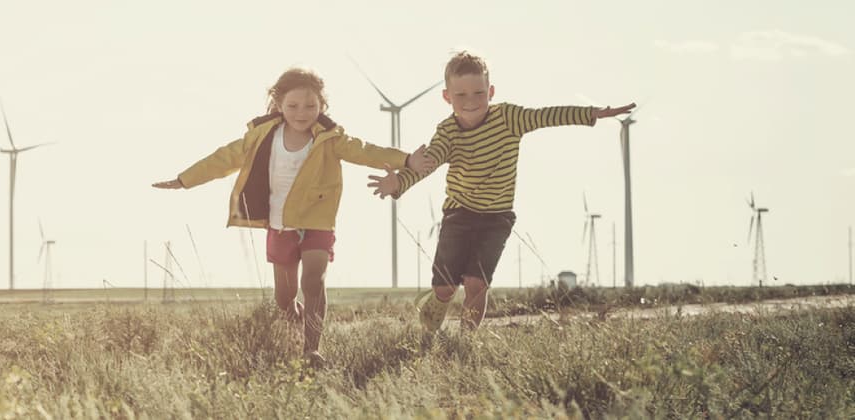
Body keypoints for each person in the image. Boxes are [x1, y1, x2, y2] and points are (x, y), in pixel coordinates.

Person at [153, 67, 431, 366]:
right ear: (279, 104)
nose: (303, 112)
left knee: (314, 281)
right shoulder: (261, 136)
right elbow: (223, 158)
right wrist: (185, 179)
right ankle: (296, 320)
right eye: (294, 106)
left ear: (322, 106)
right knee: (284, 299)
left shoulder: (330, 139)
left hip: (317, 222)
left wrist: (406, 160)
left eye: (311, 106)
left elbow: (366, 151)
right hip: (280, 225)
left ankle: (312, 349)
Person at [369, 51, 634, 331]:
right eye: (461, 95)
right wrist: (399, 182)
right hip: (458, 214)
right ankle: (435, 307)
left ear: (491, 91)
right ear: (447, 97)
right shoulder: (448, 131)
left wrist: (591, 113)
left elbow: (547, 116)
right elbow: (428, 162)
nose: (471, 102)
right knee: (446, 286)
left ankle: (466, 339)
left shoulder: (509, 118)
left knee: (476, 283)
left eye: (478, 93)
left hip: (497, 218)